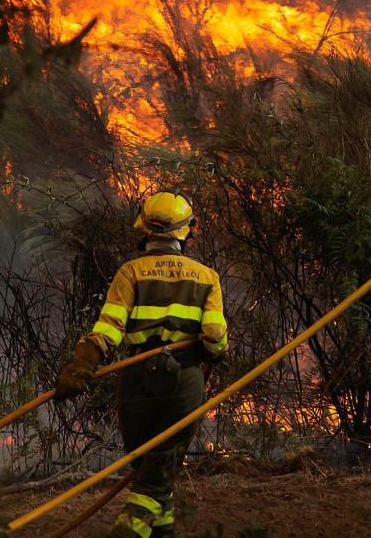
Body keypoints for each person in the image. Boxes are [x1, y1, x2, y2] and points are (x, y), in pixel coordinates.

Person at [54, 192, 227, 538]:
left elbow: (109, 327)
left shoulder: (130, 272)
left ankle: (162, 534)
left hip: (135, 380)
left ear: (145, 230)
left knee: (146, 466)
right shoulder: (206, 277)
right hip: (183, 382)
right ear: (189, 231)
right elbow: (214, 337)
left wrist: (82, 365)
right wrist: (214, 351)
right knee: (157, 473)